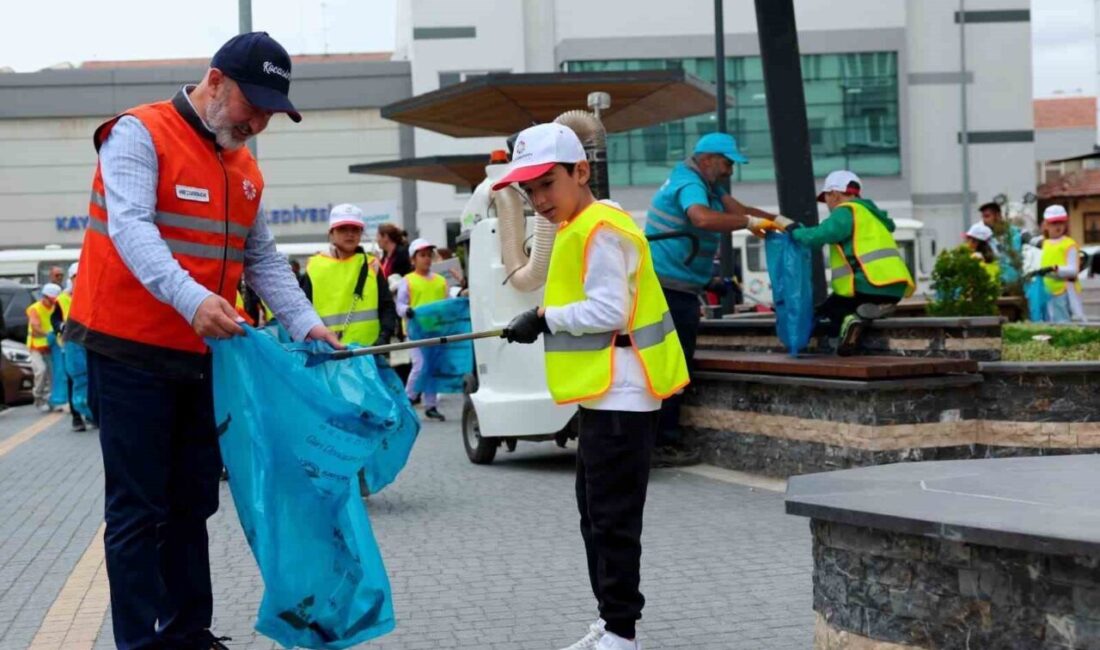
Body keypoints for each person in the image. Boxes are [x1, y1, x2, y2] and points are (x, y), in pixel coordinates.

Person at [66, 32, 341, 650]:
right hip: (127, 349)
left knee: (192, 503)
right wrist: (192, 299)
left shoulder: (243, 165)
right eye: (255, 104)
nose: (261, 121)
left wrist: (306, 324)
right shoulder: (138, 133)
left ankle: (189, 632)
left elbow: (261, 257)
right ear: (215, 82)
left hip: (201, 357)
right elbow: (133, 228)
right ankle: (139, 642)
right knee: (137, 509)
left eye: (274, 111)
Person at [498, 123, 689, 650]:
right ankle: (611, 624)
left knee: (611, 520)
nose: (538, 200)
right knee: (596, 515)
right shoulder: (577, 226)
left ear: (581, 172)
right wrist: (545, 316)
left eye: (546, 184)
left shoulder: (601, 228)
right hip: (608, 391)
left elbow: (609, 309)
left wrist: (542, 316)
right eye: (529, 190)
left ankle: (622, 635)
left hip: (624, 391)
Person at [645, 132, 779, 466]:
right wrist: (749, 222)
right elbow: (702, 219)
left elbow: (741, 209)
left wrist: (780, 223)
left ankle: (658, 440)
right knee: (674, 367)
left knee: (672, 365)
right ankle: (663, 444)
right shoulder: (690, 184)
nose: (730, 170)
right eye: (727, 162)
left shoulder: (705, 185)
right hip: (669, 293)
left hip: (675, 288)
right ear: (707, 160)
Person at [779, 170, 914, 355]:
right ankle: (870, 311)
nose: (826, 202)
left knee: (828, 313)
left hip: (868, 285)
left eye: (826, 196)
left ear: (834, 194)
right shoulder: (872, 215)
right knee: (838, 305)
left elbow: (821, 235)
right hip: (893, 288)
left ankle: (844, 337)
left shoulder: (846, 211)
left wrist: (793, 231)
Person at [301, 203, 397, 347]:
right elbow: (302, 310)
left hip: (368, 353)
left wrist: (384, 337)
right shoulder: (314, 266)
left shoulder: (372, 265)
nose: (350, 234)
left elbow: (387, 306)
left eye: (355, 229)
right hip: (326, 353)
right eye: (342, 229)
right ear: (331, 233)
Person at [397, 238, 448, 422]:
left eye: (429, 255)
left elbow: (446, 305)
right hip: (415, 333)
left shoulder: (441, 281)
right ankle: (407, 399)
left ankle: (431, 405)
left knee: (432, 368)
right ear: (413, 259)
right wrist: (406, 311)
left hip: (435, 332)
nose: (426, 259)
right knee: (420, 366)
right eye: (422, 255)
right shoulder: (407, 281)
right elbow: (400, 304)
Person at [50, 264, 87, 431]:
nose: (78, 280)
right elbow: (55, 319)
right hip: (71, 346)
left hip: (89, 344)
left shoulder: (91, 294)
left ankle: (91, 411)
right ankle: (76, 417)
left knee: (91, 379)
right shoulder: (63, 298)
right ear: (71, 279)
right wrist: (61, 326)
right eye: (75, 276)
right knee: (74, 379)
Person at [1037, 205, 1086, 323]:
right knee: (1049, 321)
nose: (1058, 226)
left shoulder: (1069, 244)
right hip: (1046, 289)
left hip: (1064, 289)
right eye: (1053, 223)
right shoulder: (1045, 244)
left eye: (1061, 222)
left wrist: (1057, 269)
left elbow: (1074, 269)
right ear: (1046, 225)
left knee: (1063, 321)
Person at [26, 283, 61, 412]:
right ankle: (38, 398)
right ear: (45, 297)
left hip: (51, 346)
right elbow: (35, 327)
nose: (52, 302)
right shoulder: (34, 309)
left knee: (54, 374)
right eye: (51, 299)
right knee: (41, 370)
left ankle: (53, 399)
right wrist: (50, 333)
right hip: (36, 346)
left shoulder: (56, 307)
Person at [980, 201, 1023, 288]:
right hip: (995, 285)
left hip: (1015, 283)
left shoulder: (1015, 234)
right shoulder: (986, 239)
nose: (984, 221)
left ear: (998, 216)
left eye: (987, 216)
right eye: (983, 217)